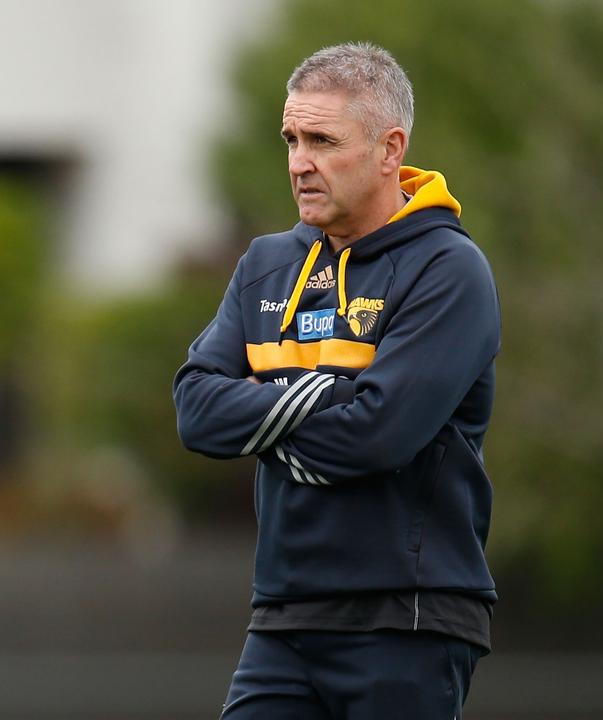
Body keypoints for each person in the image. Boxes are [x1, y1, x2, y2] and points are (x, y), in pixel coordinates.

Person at [173, 42, 499, 718]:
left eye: (322, 140)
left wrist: (262, 421)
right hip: (282, 617)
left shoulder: (448, 270)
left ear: (389, 149)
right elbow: (196, 410)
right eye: (292, 139)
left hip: (407, 620)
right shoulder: (266, 264)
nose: (299, 162)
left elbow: (376, 437)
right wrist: (329, 393)